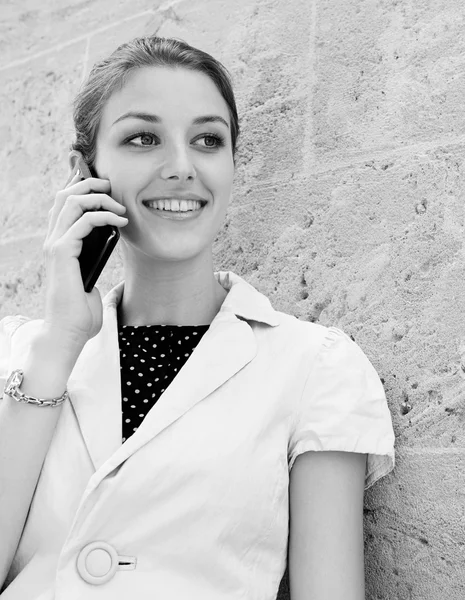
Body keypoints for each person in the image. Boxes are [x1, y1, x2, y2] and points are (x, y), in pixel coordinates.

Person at [0, 36, 395, 600]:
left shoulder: (316, 368)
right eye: (143, 138)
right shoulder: (18, 354)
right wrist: (58, 344)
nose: (182, 167)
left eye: (208, 140)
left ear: (232, 163)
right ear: (83, 170)